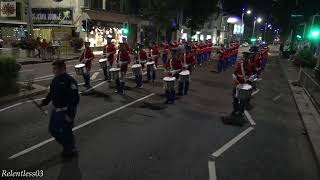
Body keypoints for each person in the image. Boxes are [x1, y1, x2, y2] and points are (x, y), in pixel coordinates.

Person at [40, 60, 80, 158]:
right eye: (54, 69)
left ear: (62, 68)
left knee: (67, 131)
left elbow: (75, 99)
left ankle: (70, 149)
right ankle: (68, 146)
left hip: (66, 111)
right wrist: (45, 102)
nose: (53, 71)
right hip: (56, 110)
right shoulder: (55, 80)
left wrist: (70, 114)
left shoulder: (70, 81)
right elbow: (51, 94)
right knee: (53, 130)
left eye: (55, 68)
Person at [222, 54, 250, 126]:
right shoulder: (240, 65)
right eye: (244, 58)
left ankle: (240, 112)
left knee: (243, 100)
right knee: (235, 97)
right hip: (238, 84)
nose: (244, 59)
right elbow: (235, 73)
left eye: (245, 58)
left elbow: (252, 74)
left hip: (245, 85)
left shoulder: (250, 65)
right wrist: (235, 79)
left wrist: (248, 80)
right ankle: (235, 110)